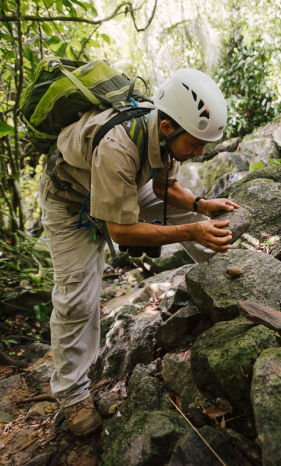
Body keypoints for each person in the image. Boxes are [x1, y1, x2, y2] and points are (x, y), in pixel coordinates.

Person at [38, 68, 240, 436]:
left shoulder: (166, 131)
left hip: (125, 185)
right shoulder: (118, 145)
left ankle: (232, 282)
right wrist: (191, 228)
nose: (200, 152)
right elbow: (120, 229)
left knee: (195, 215)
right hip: (70, 202)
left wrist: (200, 204)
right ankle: (72, 395)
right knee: (76, 297)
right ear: (167, 129)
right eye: (195, 144)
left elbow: (163, 188)